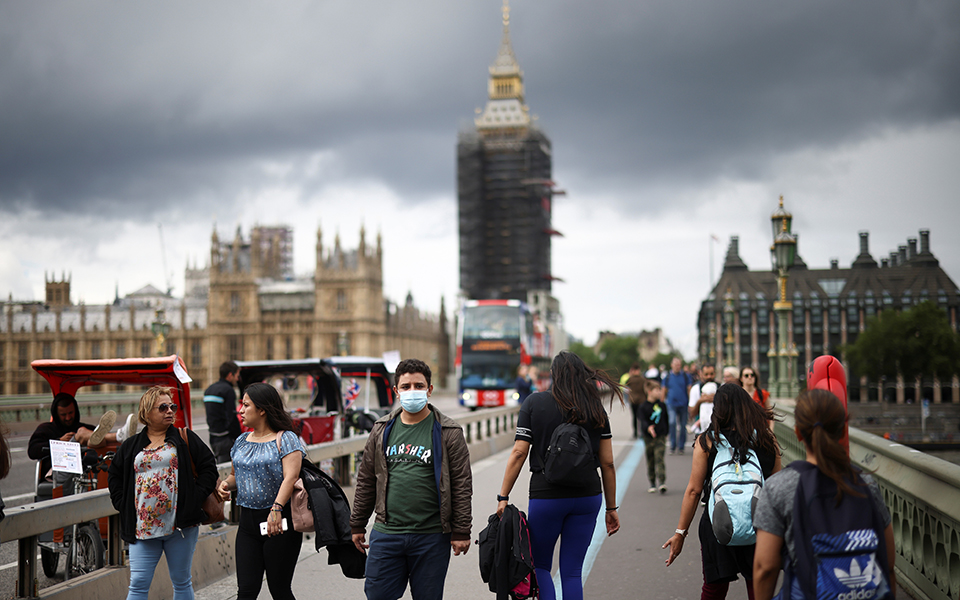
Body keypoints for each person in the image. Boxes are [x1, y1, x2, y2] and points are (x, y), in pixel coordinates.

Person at [496, 351, 622, 600]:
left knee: (541, 566)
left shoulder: (534, 403)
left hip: (547, 496)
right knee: (572, 572)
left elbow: (519, 453)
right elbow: (607, 464)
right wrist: (611, 507)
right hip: (587, 497)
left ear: (553, 375)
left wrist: (504, 496)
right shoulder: (595, 409)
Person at [752, 390, 896, 600]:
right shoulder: (867, 484)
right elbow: (888, 564)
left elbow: (765, 568)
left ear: (798, 432)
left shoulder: (779, 487)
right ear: (841, 430)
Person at [350, 358, 473, 600]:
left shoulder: (449, 432)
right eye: (406, 387)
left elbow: (461, 485)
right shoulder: (381, 429)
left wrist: (461, 530)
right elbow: (366, 479)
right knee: (377, 595)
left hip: (432, 537)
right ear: (396, 391)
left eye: (419, 386)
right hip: (387, 534)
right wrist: (357, 523)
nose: (412, 391)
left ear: (429, 390)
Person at [662, 383, 781, 600]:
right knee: (758, 587)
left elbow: (693, 491)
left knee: (714, 589)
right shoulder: (766, 439)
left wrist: (680, 533)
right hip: (759, 524)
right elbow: (777, 488)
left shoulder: (708, 441)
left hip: (717, 523)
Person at [108, 386, 218, 600]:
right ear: (147, 412)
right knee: (138, 584)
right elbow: (114, 475)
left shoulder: (184, 438)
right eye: (163, 407)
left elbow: (208, 467)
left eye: (172, 406)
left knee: (181, 581)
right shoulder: (131, 446)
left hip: (181, 527)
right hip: (143, 527)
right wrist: (122, 503)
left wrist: (194, 498)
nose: (170, 411)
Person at [216, 383, 306, 600]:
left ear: (262, 409)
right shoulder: (241, 441)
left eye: (246, 405)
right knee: (246, 591)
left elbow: (291, 477)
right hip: (247, 524)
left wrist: (276, 508)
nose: (241, 410)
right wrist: (225, 485)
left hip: (279, 521)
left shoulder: (286, 439)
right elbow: (236, 476)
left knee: (280, 589)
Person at [28, 393, 122, 491]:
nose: (68, 418)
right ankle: (119, 436)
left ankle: (120, 437)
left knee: (98, 440)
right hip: (61, 471)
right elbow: (32, 450)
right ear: (56, 414)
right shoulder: (46, 429)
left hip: (85, 471)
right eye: (63, 415)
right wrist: (59, 441)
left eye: (71, 413)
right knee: (81, 433)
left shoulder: (86, 427)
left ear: (76, 411)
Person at [204, 361, 242, 464]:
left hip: (213, 437)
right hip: (225, 439)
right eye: (237, 376)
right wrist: (239, 438)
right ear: (230, 375)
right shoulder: (228, 390)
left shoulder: (209, 389)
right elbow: (231, 417)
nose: (237, 379)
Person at [638, 379, 668, 493]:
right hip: (648, 438)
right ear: (649, 391)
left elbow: (666, 419)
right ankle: (652, 482)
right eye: (657, 390)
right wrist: (648, 428)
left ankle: (662, 481)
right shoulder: (643, 407)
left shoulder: (662, 405)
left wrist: (666, 432)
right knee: (650, 459)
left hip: (660, 436)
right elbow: (642, 420)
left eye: (660, 390)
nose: (660, 392)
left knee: (659, 457)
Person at [663, 357, 693, 454]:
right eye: (675, 364)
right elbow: (664, 389)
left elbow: (689, 389)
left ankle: (681, 446)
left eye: (679, 365)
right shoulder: (667, 377)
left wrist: (691, 402)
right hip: (671, 403)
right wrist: (661, 402)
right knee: (672, 422)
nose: (677, 367)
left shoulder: (685, 376)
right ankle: (672, 445)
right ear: (672, 365)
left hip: (683, 403)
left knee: (683, 425)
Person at [624, 363, 647, 439]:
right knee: (641, 417)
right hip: (641, 400)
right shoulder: (643, 379)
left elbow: (626, 387)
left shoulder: (630, 379)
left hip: (633, 400)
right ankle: (642, 432)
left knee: (634, 417)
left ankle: (635, 432)